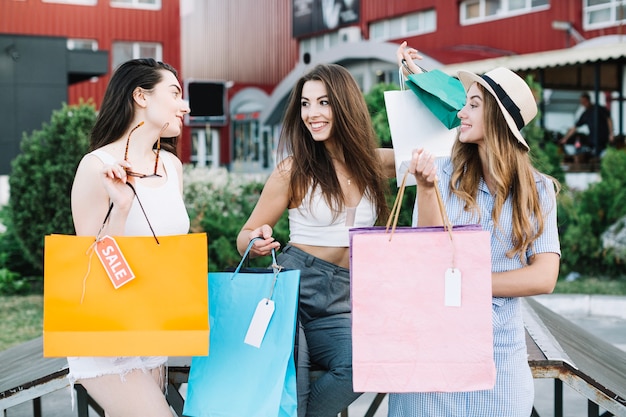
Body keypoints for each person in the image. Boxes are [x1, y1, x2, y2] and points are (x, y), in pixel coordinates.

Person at [392, 44, 561, 416]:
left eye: (473, 105)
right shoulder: (444, 170)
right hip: (432, 345)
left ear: (498, 120)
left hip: (499, 355)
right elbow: (429, 251)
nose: (461, 113)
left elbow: (545, 276)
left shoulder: (537, 189)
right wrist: (425, 187)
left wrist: (466, 280)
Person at [236, 63, 396, 417]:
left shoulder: (375, 163)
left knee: (360, 364)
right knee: (292, 377)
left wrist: (415, 77)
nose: (312, 114)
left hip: (342, 298)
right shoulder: (292, 171)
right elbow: (244, 234)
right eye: (306, 104)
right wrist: (256, 240)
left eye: (323, 102)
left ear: (345, 105)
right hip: (294, 292)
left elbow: (437, 146)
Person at [68, 58, 190, 416]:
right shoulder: (96, 166)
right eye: (175, 93)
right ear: (141, 96)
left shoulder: (171, 166)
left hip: (153, 324)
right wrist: (120, 207)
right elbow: (87, 265)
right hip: (105, 333)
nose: (184, 105)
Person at [559, 92, 614, 156]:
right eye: (581, 102)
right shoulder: (585, 114)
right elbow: (575, 127)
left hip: (604, 138)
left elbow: (609, 119)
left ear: (588, 100)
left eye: (584, 101)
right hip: (593, 140)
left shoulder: (599, 109)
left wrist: (611, 133)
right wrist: (566, 138)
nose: (583, 103)